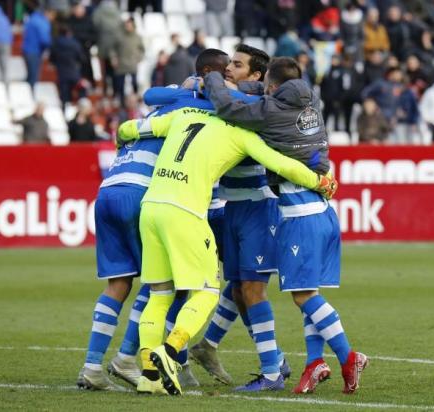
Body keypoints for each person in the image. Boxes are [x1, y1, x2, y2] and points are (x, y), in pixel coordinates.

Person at [115, 94, 336, 398]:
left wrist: (120, 136)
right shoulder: (240, 134)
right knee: (206, 292)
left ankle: (149, 375)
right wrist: (321, 182)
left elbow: (131, 128)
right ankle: (169, 350)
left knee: (159, 294)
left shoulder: (184, 117)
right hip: (185, 212)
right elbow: (284, 164)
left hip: (150, 209)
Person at [203, 56, 368, 395]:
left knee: (303, 296)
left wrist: (214, 80)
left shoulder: (272, 111)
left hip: (298, 217)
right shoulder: (311, 103)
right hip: (323, 212)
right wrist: (249, 87)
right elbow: (262, 94)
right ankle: (313, 362)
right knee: (309, 292)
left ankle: (348, 356)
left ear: (272, 86)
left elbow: (227, 107)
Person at [77, 49, 234, 393]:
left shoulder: (168, 102)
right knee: (158, 285)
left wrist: (186, 85)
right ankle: (130, 359)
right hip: (142, 191)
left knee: (118, 284)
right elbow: (234, 105)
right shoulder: (204, 105)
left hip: (109, 188)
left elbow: (150, 95)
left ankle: (92, 367)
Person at [188, 45, 291, 389]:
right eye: (228, 63)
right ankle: (268, 358)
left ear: (257, 75)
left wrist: (214, 85)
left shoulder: (258, 104)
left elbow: (246, 95)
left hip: (258, 208)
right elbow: (155, 94)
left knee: (252, 288)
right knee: (239, 289)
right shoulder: (229, 97)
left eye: (236, 64)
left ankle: (272, 372)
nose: (227, 68)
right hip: (231, 207)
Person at [49, 26, 86, 107]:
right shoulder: (75, 44)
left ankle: (65, 110)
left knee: (64, 95)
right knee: (82, 89)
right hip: (74, 72)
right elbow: (81, 57)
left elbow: (52, 58)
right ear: (69, 33)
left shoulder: (55, 43)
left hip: (62, 73)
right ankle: (82, 105)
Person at [22, 8, 55, 89]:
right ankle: (31, 95)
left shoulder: (33, 18)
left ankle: (27, 93)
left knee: (30, 75)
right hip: (34, 51)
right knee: (34, 76)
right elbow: (45, 40)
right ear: (47, 13)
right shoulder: (42, 22)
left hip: (27, 50)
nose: (52, 18)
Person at [116, 18, 144, 105]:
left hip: (132, 64)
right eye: (126, 25)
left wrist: (138, 58)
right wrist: (114, 58)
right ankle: (122, 102)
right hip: (121, 64)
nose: (128, 27)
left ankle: (135, 101)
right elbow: (113, 49)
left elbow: (142, 49)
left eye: (129, 25)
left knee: (134, 83)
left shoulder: (137, 37)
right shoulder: (120, 36)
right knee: (120, 85)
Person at [68, 2, 97, 83]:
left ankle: (89, 84)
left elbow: (94, 36)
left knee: (87, 69)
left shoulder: (89, 20)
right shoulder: (70, 20)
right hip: (73, 51)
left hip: (85, 49)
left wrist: (89, 43)